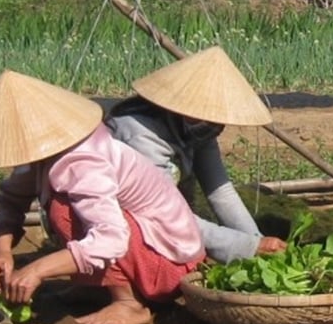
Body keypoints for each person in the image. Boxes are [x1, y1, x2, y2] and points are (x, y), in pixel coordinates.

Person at [0, 71, 206, 324]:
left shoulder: (84, 160)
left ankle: (129, 302)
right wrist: (3, 252)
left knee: (62, 210)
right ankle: (95, 287)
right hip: (148, 252)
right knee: (66, 206)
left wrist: (36, 270)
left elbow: (111, 238)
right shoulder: (42, 157)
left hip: (170, 267)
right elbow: (11, 199)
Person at [106, 47, 286, 262]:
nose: (215, 126)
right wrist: (246, 247)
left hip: (167, 215)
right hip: (123, 216)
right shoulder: (139, 133)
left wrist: (257, 241)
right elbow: (162, 212)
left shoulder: (199, 128)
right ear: (182, 109)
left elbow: (221, 193)